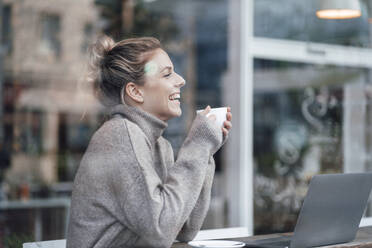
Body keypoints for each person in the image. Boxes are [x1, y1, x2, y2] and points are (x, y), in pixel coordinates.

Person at [66, 35, 232, 248]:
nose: (180, 80)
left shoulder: (158, 145)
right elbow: (161, 230)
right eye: (167, 74)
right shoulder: (119, 136)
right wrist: (198, 145)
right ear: (135, 91)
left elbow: (183, 229)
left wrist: (205, 151)